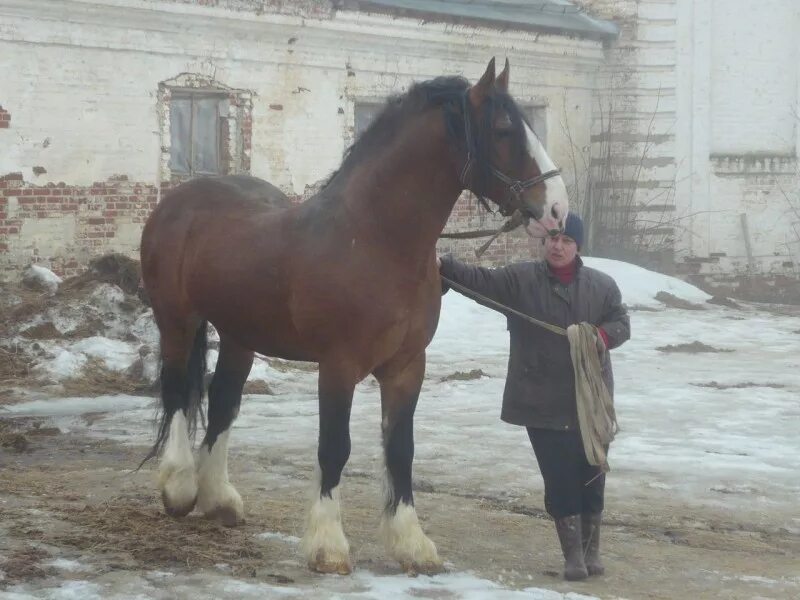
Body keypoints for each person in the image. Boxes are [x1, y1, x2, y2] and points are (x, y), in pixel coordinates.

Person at [438, 213, 630, 580]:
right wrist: (443, 265)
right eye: (552, 239)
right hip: (541, 399)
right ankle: (572, 557)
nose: (558, 246)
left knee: (592, 472)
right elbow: (481, 281)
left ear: (578, 246)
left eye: (566, 240)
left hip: (590, 399)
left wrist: (599, 337)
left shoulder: (602, 286)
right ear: (544, 243)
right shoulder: (521, 280)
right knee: (559, 477)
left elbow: (621, 323)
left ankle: (592, 552)